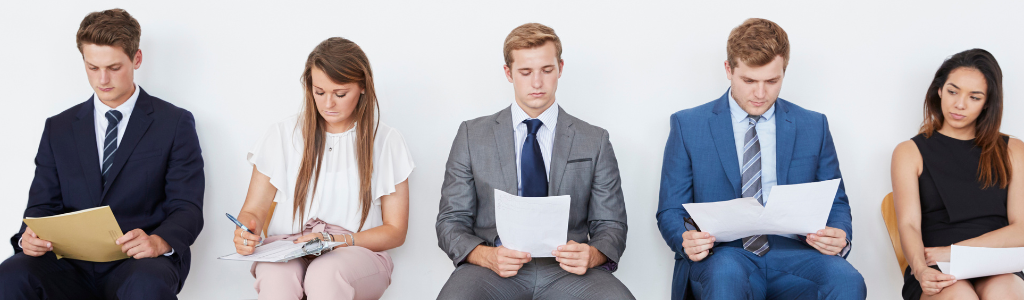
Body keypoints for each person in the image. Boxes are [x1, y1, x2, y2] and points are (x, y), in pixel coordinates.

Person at [0, 9, 205, 300]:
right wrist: (28, 237)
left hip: (137, 263)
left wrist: (159, 242)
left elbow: (187, 207)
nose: (103, 80)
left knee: (147, 284)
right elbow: (41, 207)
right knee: (12, 273)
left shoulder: (174, 123)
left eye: (114, 67)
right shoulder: (58, 127)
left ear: (136, 59)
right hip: (67, 265)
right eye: (92, 68)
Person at [656, 18, 866, 299]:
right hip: (723, 254)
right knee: (726, 277)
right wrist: (685, 241)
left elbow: (835, 199)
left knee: (847, 280)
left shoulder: (813, 125)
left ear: (784, 72)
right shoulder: (688, 125)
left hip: (795, 253)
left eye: (772, 81)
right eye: (749, 80)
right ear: (729, 69)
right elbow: (670, 209)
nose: (760, 93)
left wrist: (839, 233)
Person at [434, 23, 634, 299]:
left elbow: (611, 225)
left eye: (547, 70)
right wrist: (485, 256)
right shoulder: (471, 136)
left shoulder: (594, 139)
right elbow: (451, 220)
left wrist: (593, 254)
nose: (537, 83)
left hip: (568, 270)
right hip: (492, 268)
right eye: (525, 72)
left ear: (560, 68)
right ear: (508, 73)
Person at [231, 37, 414, 300]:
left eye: (340, 94)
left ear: (362, 86)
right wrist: (247, 230)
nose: (328, 104)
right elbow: (253, 210)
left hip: (355, 253)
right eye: (319, 92)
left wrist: (334, 242)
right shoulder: (281, 135)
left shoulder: (386, 141)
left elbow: (395, 231)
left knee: (326, 274)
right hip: (289, 247)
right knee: (275, 276)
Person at [892, 48, 1024, 300]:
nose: (959, 104)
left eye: (974, 97)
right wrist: (920, 269)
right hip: (933, 264)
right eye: (952, 91)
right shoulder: (909, 151)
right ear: (939, 90)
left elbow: (1022, 229)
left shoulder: (1013, 150)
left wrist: (954, 252)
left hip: (996, 262)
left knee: (1006, 294)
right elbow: (908, 224)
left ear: (988, 102)